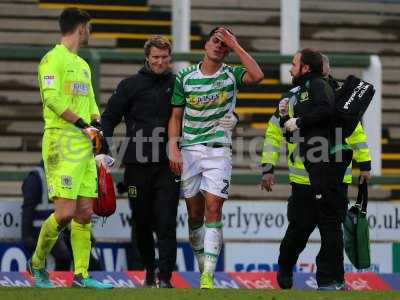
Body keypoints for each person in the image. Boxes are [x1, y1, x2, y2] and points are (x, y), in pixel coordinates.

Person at [261, 49, 370, 290]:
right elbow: (273, 133)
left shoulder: (339, 99)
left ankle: (331, 281)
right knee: (298, 232)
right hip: (303, 180)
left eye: (293, 64)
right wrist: (267, 167)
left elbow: (356, 134)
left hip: (335, 176)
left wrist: (365, 164)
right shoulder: (290, 98)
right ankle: (286, 266)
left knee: (332, 232)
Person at [168, 27, 264, 289]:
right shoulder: (185, 76)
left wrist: (237, 45)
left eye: (225, 45)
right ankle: (202, 263)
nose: (220, 47)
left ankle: (207, 275)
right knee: (194, 214)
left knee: (213, 208)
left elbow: (257, 75)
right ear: (205, 45)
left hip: (218, 150)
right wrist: (173, 148)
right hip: (189, 150)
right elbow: (176, 116)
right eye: (217, 42)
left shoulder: (231, 74)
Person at [28, 7, 112, 289]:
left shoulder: (84, 65)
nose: (90, 32)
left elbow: (90, 104)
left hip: (84, 144)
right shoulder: (52, 60)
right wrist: (81, 124)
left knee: (85, 212)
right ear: (81, 28)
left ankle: (81, 275)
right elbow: (51, 99)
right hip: (61, 142)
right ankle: (38, 263)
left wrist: (97, 127)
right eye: (89, 27)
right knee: (64, 214)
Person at [100, 36, 179, 288]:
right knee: (142, 221)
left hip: (168, 165)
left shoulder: (179, 84)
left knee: (166, 221)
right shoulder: (129, 85)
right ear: (147, 57)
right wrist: (103, 149)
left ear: (170, 57)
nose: (160, 62)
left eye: (164, 57)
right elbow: (108, 118)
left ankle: (165, 278)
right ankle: (149, 269)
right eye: (155, 57)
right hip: (135, 165)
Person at [22, 161, 104, 272]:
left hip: (64, 228)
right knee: (63, 255)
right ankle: (60, 281)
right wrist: (26, 235)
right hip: (42, 229)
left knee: (89, 257)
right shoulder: (37, 177)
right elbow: (28, 208)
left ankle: (88, 277)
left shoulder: (65, 173)